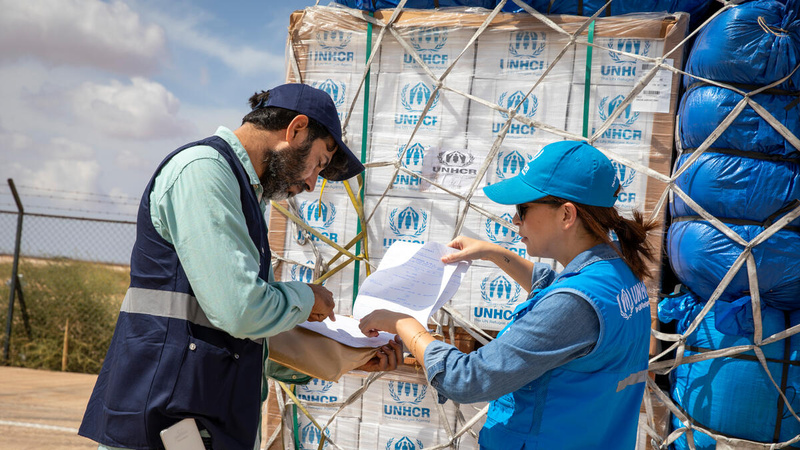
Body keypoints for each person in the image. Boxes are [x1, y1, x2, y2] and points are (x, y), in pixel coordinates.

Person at [79, 83, 403, 450]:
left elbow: (243, 338)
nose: (313, 183)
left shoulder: (243, 191)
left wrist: (349, 358)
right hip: (162, 422)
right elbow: (241, 310)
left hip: (197, 417)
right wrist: (305, 296)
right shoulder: (203, 172)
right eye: (319, 163)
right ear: (295, 129)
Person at [360, 140, 658, 449]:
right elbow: (558, 291)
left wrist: (404, 324)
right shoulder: (618, 271)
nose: (516, 219)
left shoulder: (575, 304)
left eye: (523, 209)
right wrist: (494, 253)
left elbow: (469, 378)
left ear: (567, 215)